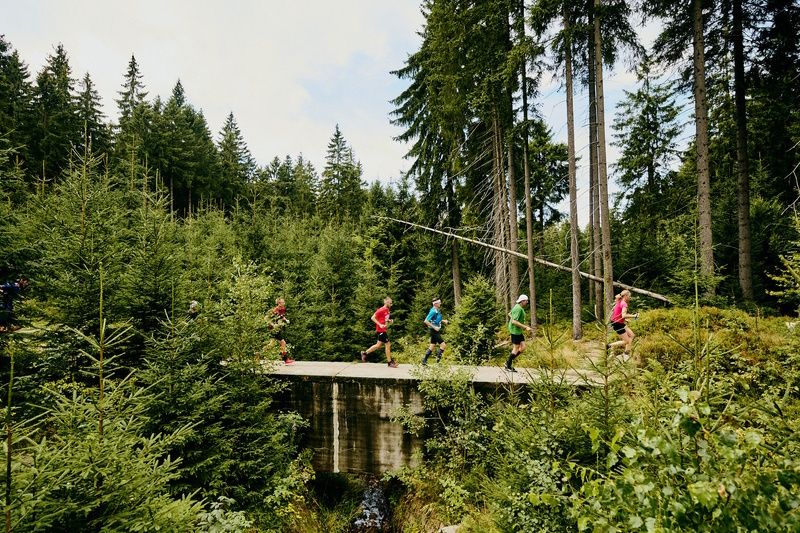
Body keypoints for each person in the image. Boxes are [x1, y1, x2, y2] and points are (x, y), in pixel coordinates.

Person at [361, 297, 398, 368]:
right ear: (386, 303)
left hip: (383, 330)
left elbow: (384, 319)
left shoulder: (387, 310)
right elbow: (372, 317)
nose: (391, 304)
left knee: (378, 345)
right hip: (380, 330)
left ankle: (364, 353)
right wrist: (380, 324)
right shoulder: (381, 310)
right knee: (388, 344)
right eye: (390, 303)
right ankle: (389, 362)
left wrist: (389, 321)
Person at [505, 294, 532, 373]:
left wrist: (514, 318)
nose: (527, 302)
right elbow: (514, 322)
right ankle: (508, 365)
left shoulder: (519, 307)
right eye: (526, 301)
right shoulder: (518, 308)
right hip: (515, 331)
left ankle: (508, 362)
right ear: (522, 301)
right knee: (516, 348)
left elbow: (510, 314)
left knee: (523, 347)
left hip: (518, 331)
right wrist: (525, 327)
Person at [609, 290, 638, 360]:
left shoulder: (619, 300)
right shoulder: (624, 303)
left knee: (632, 335)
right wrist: (634, 316)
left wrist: (625, 320)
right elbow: (624, 315)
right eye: (629, 296)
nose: (630, 298)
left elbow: (617, 312)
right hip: (617, 323)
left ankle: (627, 352)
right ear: (625, 296)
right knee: (626, 341)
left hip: (619, 322)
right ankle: (609, 346)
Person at [422, 297, 448, 366]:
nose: (440, 303)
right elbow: (426, 321)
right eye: (439, 302)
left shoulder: (437, 310)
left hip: (434, 330)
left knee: (432, 346)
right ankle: (438, 362)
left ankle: (424, 361)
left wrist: (443, 321)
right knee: (443, 345)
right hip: (434, 331)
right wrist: (434, 327)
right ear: (435, 304)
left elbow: (435, 320)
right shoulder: (433, 311)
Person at [268, 297, 293, 364]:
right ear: (279, 303)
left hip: (277, 329)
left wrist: (286, 320)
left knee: (271, 345)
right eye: (283, 302)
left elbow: (282, 316)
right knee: (283, 342)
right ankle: (285, 359)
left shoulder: (282, 309)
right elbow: (268, 319)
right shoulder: (275, 310)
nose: (284, 303)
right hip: (273, 329)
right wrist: (273, 325)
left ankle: (258, 354)